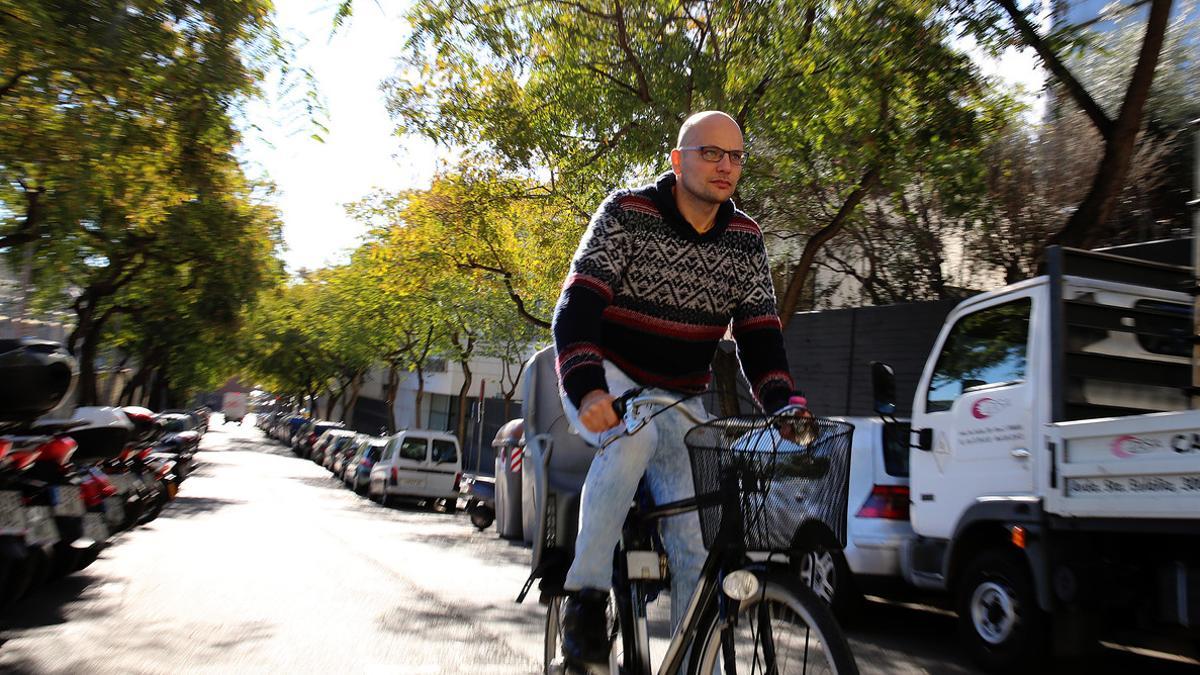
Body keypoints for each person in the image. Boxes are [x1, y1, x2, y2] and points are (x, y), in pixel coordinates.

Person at [551, 110, 801, 665]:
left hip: (681, 396)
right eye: (710, 152)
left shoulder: (745, 239)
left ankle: (695, 661)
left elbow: (760, 336)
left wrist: (785, 404)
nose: (724, 166)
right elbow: (577, 308)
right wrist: (589, 390)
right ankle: (585, 598)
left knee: (695, 542)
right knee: (632, 436)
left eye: (735, 156)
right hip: (609, 378)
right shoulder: (627, 213)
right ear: (677, 159)